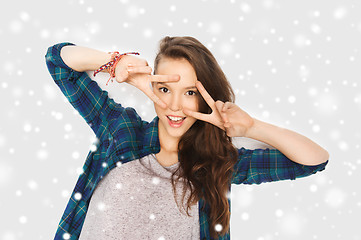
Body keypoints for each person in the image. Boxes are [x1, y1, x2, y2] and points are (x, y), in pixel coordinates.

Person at [45, 36, 329, 240]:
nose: (175, 105)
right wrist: (114, 61)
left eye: (190, 93)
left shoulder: (215, 162)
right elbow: (58, 61)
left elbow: (312, 161)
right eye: (166, 89)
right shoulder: (122, 132)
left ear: (205, 98)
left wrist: (251, 127)